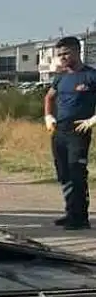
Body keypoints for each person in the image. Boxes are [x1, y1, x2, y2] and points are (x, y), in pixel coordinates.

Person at [44, 36, 96, 230]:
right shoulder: (61, 77)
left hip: (78, 131)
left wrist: (93, 120)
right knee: (64, 172)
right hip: (59, 131)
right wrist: (48, 116)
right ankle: (70, 212)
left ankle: (80, 217)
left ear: (77, 51)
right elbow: (49, 97)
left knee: (77, 172)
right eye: (59, 54)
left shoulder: (91, 75)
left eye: (66, 53)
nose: (62, 57)